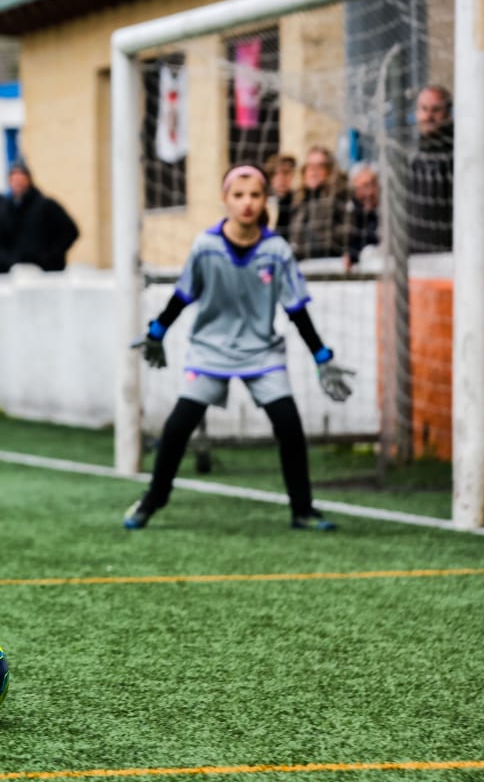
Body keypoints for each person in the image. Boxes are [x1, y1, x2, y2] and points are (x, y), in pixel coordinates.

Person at [125, 163, 355, 531]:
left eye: (255, 195)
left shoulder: (277, 250)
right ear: (225, 199)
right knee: (178, 426)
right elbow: (183, 295)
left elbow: (296, 310)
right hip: (210, 351)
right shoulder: (205, 245)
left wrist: (321, 355)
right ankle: (154, 498)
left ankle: (302, 509)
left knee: (289, 426)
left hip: (261, 353)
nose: (247, 203)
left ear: (266, 200)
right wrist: (157, 331)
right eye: (238, 195)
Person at [1, 160, 79, 272]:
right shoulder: (5, 209)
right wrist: (9, 260)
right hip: (17, 272)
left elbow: (71, 231)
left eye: (21, 178)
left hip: (47, 272)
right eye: (14, 179)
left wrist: (51, 256)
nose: (18, 183)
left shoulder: (46, 205)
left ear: (29, 180)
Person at [408, 84, 454, 254]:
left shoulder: (458, 155)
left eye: (435, 110)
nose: (429, 116)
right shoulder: (412, 155)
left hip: (449, 253)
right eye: (424, 109)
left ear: (448, 114)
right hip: (415, 253)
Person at [287, 145, 353, 261]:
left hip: (329, 265)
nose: (314, 171)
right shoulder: (297, 200)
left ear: (330, 170)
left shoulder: (340, 196)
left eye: (320, 166)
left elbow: (348, 232)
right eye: (310, 166)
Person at [345, 163, 380, 270]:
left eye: (372, 185)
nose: (368, 193)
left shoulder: (387, 211)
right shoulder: (349, 213)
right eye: (363, 186)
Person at [265, 153, 298, 238]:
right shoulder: (265, 203)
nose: (281, 178)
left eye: (286, 173)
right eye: (275, 174)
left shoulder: (300, 203)